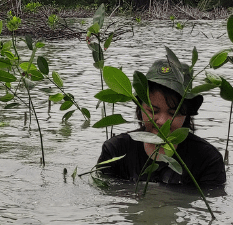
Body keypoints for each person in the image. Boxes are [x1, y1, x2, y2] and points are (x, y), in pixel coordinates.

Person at [97, 59, 226, 187]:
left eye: (173, 113)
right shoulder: (115, 150)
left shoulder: (208, 159)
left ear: (187, 113)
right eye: (153, 111)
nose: (163, 122)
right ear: (140, 107)